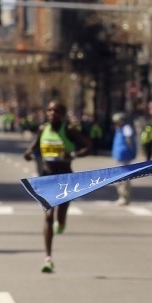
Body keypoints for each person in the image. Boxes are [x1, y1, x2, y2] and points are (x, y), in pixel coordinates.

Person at [23, 100, 91, 273]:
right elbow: (32, 148)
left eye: (57, 111)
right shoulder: (42, 129)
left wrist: (73, 154)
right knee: (48, 216)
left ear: (63, 114)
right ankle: (48, 258)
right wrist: (29, 154)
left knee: (59, 218)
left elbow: (88, 146)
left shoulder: (69, 130)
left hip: (65, 178)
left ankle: (61, 223)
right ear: (46, 113)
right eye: (50, 110)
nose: (53, 113)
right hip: (47, 177)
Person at [111, 112, 137, 205]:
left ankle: (125, 197)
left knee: (124, 178)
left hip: (125, 156)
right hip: (118, 156)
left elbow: (130, 141)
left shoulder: (126, 128)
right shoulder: (119, 128)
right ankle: (121, 196)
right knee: (118, 178)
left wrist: (132, 152)